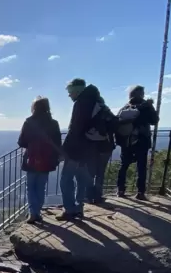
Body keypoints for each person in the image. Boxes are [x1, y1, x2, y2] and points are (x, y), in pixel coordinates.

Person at [60, 78, 110, 220]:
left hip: (76, 149)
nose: (69, 95)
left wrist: (64, 150)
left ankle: (70, 210)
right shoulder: (97, 101)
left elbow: (75, 129)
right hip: (90, 149)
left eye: (70, 91)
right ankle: (79, 208)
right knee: (81, 179)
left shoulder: (81, 103)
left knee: (65, 180)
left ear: (77, 90)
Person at [18, 96, 62, 224]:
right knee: (41, 187)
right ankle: (38, 211)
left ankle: (33, 213)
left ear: (34, 108)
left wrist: (31, 145)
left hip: (32, 158)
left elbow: (21, 142)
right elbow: (57, 142)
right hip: (47, 159)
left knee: (30, 187)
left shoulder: (28, 122)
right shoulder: (54, 123)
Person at [115, 85, 160, 200]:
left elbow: (118, 121)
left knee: (124, 165)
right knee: (141, 167)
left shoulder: (125, 107)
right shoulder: (146, 107)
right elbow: (154, 120)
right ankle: (140, 192)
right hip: (142, 139)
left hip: (127, 140)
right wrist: (150, 107)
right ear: (142, 94)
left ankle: (120, 189)